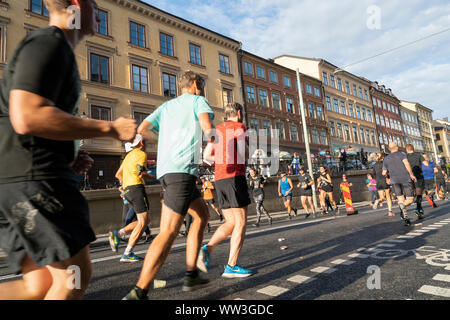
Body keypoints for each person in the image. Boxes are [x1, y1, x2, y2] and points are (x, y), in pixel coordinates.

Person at [0, 0, 137, 300]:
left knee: (37, 286)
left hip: (18, 179)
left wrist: (68, 155)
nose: (98, 11)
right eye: (93, 4)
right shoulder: (49, 43)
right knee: (75, 278)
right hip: (36, 180)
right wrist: (109, 128)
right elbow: (27, 116)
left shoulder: (53, 47)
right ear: (76, 5)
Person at [122, 71, 214, 300]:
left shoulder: (167, 106)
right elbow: (207, 127)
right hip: (181, 171)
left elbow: (142, 130)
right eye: (201, 84)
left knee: (202, 215)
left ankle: (191, 273)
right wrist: (216, 141)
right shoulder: (198, 100)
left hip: (170, 170)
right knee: (168, 232)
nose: (202, 88)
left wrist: (164, 138)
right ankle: (139, 290)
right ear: (195, 84)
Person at [197, 102, 253, 279]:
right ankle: (231, 266)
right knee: (241, 221)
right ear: (238, 113)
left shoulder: (218, 129)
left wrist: (221, 159)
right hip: (234, 177)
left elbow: (206, 156)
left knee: (231, 222)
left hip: (219, 179)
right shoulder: (239, 126)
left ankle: (208, 248)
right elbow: (244, 154)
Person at [109, 135, 154, 262]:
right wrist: (157, 177)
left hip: (128, 190)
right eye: (146, 141)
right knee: (143, 222)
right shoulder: (141, 154)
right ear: (141, 142)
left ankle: (117, 235)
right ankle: (128, 253)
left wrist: (124, 185)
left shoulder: (128, 156)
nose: (147, 143)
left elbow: (117, 174)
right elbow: (142, 174)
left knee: (144, 220)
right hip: (137, 189)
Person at [382, 142, 418, 226]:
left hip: (394, 181)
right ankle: (403, 205)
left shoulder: (386, 159)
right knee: (410, 200)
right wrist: (411, 174)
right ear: (397, 147)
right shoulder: (402, 154)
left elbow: (383, 172)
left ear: (389, 149)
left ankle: (406, 218)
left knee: (400, 199)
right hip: (405, 179)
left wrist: (387, 178)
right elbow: (407, 164)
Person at [405, 144, 427, 218]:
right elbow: (426, 164)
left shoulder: (405, 156)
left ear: (406, 150)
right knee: (419, 194)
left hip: (409, 177)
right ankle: (418, 208)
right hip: (418, 176)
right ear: (413, 148)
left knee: (413, 193)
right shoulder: (418, 155)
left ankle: (415, 207)